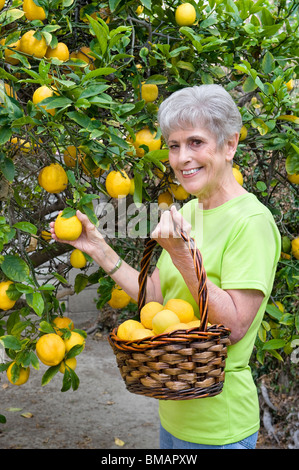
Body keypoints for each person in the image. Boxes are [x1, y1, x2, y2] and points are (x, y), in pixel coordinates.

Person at [50, 84, 281, 449]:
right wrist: (98, 249)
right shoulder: (189, 211)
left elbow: (234, 327)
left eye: (196, 143)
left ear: (230, 144)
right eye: (174, 146)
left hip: (218, 428)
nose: (182, 158)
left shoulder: (251, 222)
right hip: (174, 415)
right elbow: (156, 295)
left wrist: (181, 256)